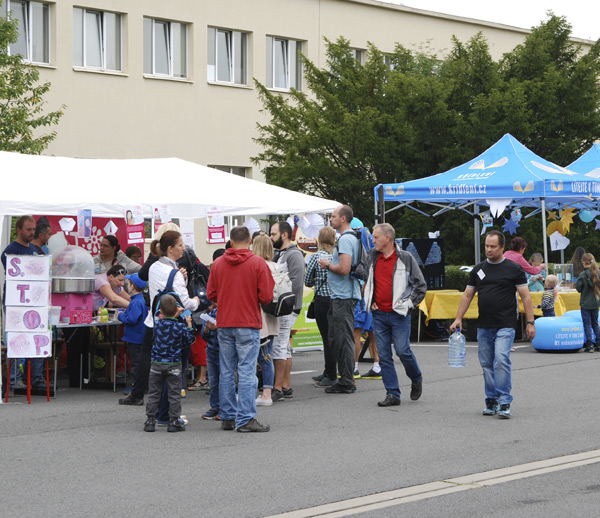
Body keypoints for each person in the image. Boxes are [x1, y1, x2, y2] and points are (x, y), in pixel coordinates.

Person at [450, 230, 535, 419]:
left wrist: (530, 322)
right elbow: (467, 295)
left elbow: (526, 296)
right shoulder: (478, 269)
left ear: (502, 247)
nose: (488, 250)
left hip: (506, 324)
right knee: (487, 364)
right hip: (484, 324)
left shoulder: (513, 269)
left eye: (493, 246)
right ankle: (491, 399)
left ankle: (504, 400)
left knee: (501, 359)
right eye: (487, 246)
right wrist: (458, 318)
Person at [119, 230, 200, 406]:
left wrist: (180, 277)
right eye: (180, 245)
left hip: (153, 319)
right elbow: (183, 301)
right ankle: (169, 404)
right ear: (170, 248)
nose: (183, 249)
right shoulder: (174, 273)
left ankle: (138, 393)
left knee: (147, 357)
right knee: (174, 364)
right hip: (172, 322)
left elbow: (165, 289)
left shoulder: (154, 267)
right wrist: (196, 301)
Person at [207, 225, 274, 432]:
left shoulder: (218, 264)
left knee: (226, 370)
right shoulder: (257, 263)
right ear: (250, 242)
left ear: (231, 240)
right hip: (248, 321)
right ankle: (245, 418)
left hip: (225, 321)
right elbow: (266, 297)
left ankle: (227, 415)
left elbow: (211, 294)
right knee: (247, 371)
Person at [362, 223, 426, 407]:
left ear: (387, 238)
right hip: (379, 314)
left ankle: (416, 377)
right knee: (383, 356)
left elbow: (420, 286)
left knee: (402, 351)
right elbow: (366, 277)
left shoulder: (405, 258)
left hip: (399, 314)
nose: (373, 240)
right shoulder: (372, 257)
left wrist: (408, 304)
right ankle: (392, 394)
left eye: (375, 237)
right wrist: (370, 298)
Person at [318, 205, 361, 394]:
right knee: (340, 338)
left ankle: (346, 381)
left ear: (343, 218)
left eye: (334, 216)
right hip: (343, 294)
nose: (331, 219)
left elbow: (344, 269)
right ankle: (345, 379)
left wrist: (327, 264)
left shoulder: (345, 240)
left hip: (343, 296)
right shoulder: (351, 238)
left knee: (343, 339)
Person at [1, 215, 45, 389]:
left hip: (34, 299)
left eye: (33, 229)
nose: (32, 232)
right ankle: (14, 379)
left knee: (36, 336)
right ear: (19, 230)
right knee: (16, 337)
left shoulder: (35, 249)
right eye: (28, 229)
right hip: (15, 301)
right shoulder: (10, 250)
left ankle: (36, 376)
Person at [143, 295, 195, 433]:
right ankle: (174, 421)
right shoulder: (180, 327)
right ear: (177, 310)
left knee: (154, 393)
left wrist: (170, 313)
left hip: (156, 364)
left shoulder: (158, 325)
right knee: (174, 394)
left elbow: (163, 319)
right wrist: (188, 324)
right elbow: (189, 340)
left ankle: (150, 420)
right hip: (174, 364)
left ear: (160, 311)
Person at [269, 221, 305, 402]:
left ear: (284, 235)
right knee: (284, 346)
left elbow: (297, 282)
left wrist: (283, 299)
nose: (271, 237)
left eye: (273, 234)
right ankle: (285, 385)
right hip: (283, 306)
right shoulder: (280, 254)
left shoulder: (294, 254)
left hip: (287, 306)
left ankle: (277, 388)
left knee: (280, 346)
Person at [305, 226, 336, 387]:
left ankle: (330, 375)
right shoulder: (337, 256)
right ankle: (329, 371)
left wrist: (316, 281)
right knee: (333, 337)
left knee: (326, 338)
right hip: (336, 299)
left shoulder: (316, 257)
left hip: (322, 300)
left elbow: (307, 280)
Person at [252, 233, 280, 406]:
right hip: (272, 316)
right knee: (267, 355)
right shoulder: (276, 266)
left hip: (259, 316)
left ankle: (261, 394)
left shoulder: (257, 267)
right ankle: (267, 392)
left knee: (254, 357)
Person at [117, 273, 148, 393]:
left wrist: (121, 316)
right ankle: (142, 385)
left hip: (135, 337)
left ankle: (137, 386)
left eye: (128, 283)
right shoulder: (142, 300)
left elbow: (132, 319)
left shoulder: (135, 302)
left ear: (132, 286)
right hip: (141, 336)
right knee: (141, 362)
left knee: (136, 363)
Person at [575, 253, 600, 353]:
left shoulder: (582, 275)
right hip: (595, 302)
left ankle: (589, 345)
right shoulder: (598, 273)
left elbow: (578, 288)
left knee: (587, 324)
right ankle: (599, 342)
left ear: (583, 263)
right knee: (595, 323)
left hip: (585, 303)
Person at [353, 298, 382, 380]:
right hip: (373, 301)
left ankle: (354, 368)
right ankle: (377, 367)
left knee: (356, 334)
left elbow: (363, 287)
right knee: (373, 334)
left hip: (362, 301)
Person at [201, 305, 221, 420]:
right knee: (213, 381)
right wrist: (207, 330)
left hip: (223, 353)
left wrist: (218, 328)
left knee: (225, 380)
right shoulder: (211, 313)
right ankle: (214, 406)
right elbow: (204, 336)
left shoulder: (229, 312)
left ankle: (224, 407)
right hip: (211, 351)